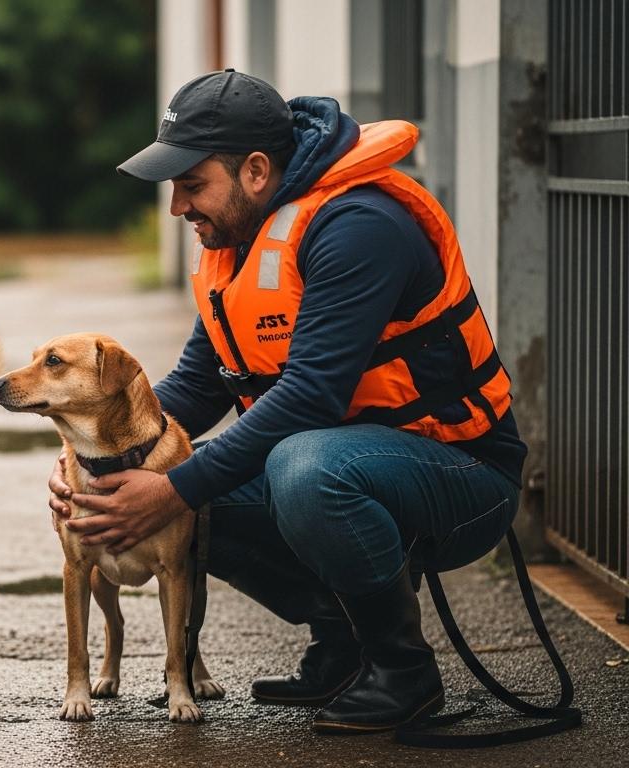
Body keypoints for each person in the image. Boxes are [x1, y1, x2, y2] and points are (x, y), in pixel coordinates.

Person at [47, 70, 526, 734]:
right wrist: (98, 467)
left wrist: (170, 489)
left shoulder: (358, 227)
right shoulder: (242, 244)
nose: (178, 208)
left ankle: (402, 672)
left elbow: (311, 396)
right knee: (196, 488)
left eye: (192, 185)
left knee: (298, 467)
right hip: (350, 466)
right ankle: (344, 644)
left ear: (255, 170)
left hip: (462, 476)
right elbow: (189, 391)